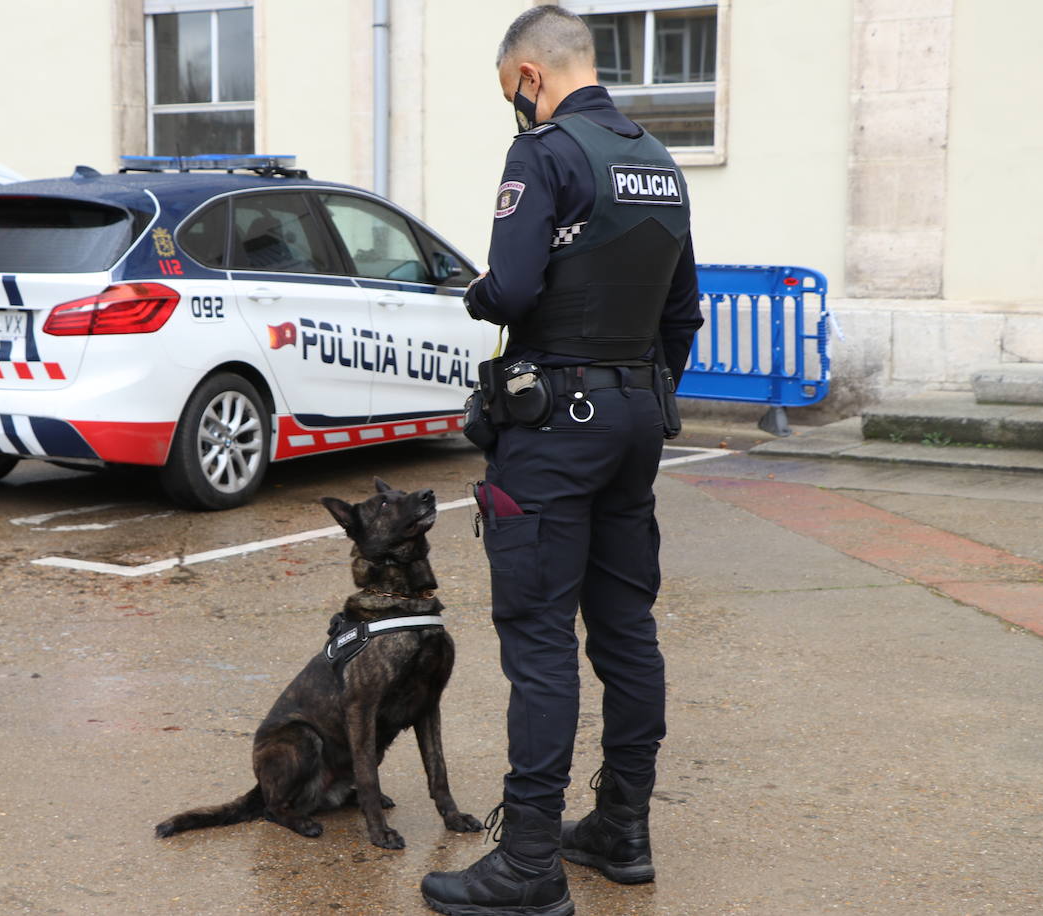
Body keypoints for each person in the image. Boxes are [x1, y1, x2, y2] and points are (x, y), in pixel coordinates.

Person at [421, 6, 703, 915]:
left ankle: (530, 866)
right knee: (626, 628)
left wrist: (473, 294)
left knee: (539, 637)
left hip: (554, 427)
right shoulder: (661, 164)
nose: (518, 111)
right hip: (632, 422)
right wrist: (637, 398)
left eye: (514, 95)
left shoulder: (542, 154)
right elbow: (681, 315)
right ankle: (623, 829)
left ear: (532, 77)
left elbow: (511, 288)